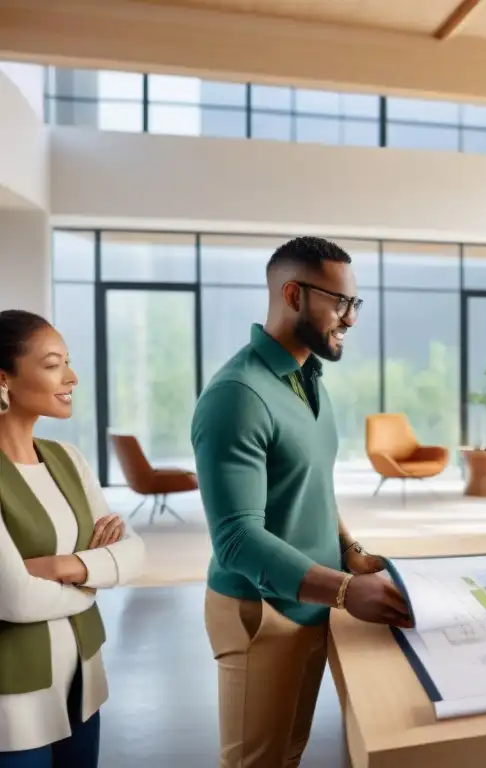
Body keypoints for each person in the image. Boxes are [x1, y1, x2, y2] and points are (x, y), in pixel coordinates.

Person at [191, 236, 412, 768]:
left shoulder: (310, 379)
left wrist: (349, 549)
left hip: (313, 600)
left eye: (355, 303)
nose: (351, 318)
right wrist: (344, 589)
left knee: (287, 754)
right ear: (293, 294)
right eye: (339, 302)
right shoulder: (237, 396)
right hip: (260, 612)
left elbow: (311, 484)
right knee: (256, 762)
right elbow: (237, 539)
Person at [0, 309, 145, 767]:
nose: (72, 377)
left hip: (83, 681)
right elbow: (14, 599)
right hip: (15, 697)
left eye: (68, 361)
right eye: (52, 364)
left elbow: (134, 550)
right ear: (3, 379)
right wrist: (94, 581)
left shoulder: (67, 457)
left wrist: (67, 568)